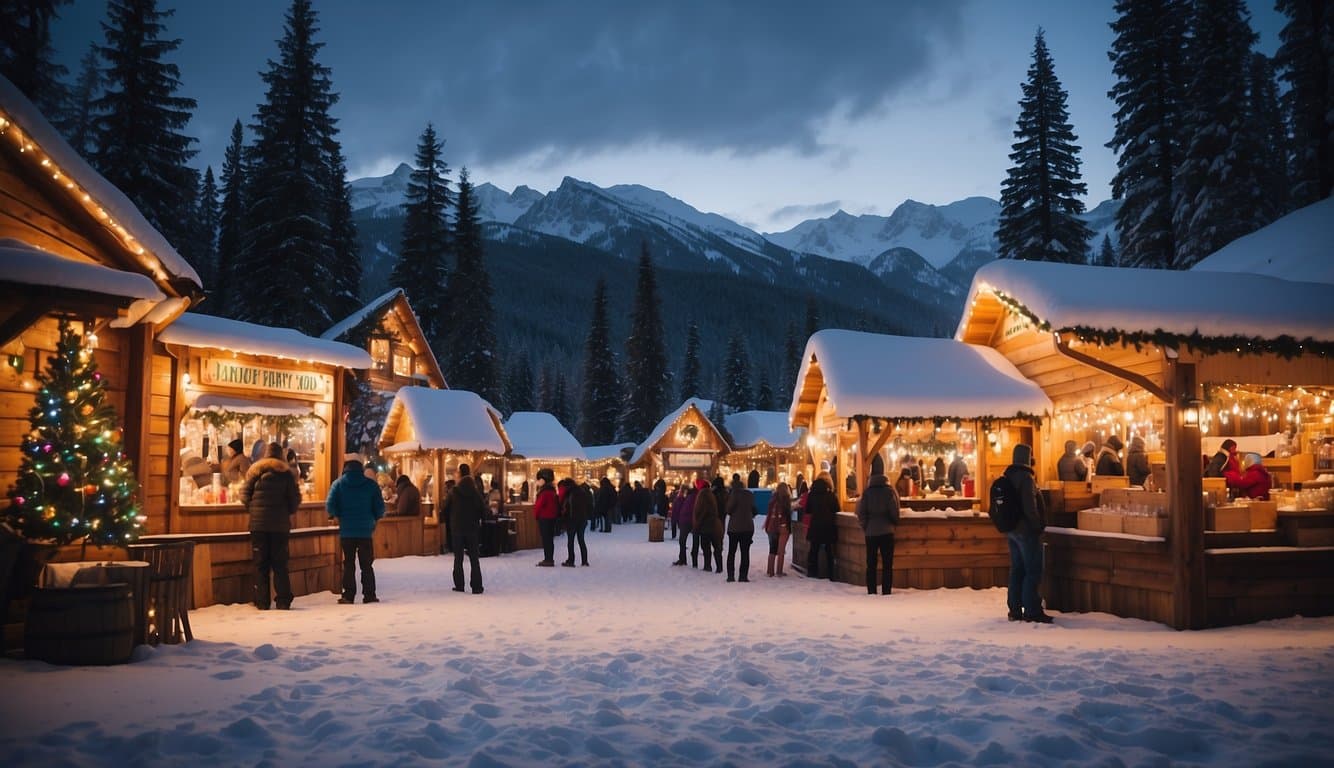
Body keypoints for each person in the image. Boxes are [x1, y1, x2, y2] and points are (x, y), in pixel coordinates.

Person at [242, 442, 301, 610]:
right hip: (280, 527)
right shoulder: (286, 475)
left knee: (260, 564)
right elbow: (295, 500)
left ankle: (262, 601)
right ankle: (283, 600)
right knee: (280, 564)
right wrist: (287, 512)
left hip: (258, 526)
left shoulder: (255, 472)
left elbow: (244, 494)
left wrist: (253, 510)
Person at [326, 454, 385, 604]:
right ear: (361, 468)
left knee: (349, 563)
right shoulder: (371, 485)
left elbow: (330, 506)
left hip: (346, 531)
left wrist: (338, 515)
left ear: (345, 468)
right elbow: (380, 508)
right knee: (366, 564)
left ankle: (348, 595)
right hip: (366, 531)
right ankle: (369, 594)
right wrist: (374, 519)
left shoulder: (338, 484)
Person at [1004, 444, 1052, 623]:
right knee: (1033, 571)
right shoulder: (1026, 478)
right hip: (1026, 531)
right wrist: (1038, 526)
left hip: (1012, 530)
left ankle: (1014, 610)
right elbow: (1030, 508)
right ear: (1028, 458)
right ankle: (1032, 610)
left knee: (1017, 569)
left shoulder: (1008, 476)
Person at [855, 469, 899, 595]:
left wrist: (866, 527)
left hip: (871, 533)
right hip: (887, 532)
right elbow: (894, 512)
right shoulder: (889, 492)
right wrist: (893, 523)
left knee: (871, 564)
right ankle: (886, 590)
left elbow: (861, 513)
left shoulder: (867, 492)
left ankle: (871, 590)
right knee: (887, 564)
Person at [443, 464, 485, 593]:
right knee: (474, 558)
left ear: (460, 474)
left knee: (458, 557)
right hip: (472, 528)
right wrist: (476, 519)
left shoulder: (454, 491)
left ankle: (459, 585)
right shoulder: (475, 491)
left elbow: (445, 509)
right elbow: (482, 509)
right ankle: (477, 586)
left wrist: (450, 520)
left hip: (457, 528)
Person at [804, 476, 839, 580]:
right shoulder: (830, 495)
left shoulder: (811, 495)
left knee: (814, 549)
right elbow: (836, 509)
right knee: (829, 551)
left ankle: (812, 572)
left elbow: (808, 510)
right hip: (828, 526)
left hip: (815, 525)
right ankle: (831, 573)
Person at [724, 476, 756, 582]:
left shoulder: (733, 494)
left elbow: (729, 509)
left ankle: (731, 575)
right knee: (745, 552)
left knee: (732, 552)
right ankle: (743, 576)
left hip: (734, 528)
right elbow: (753, 509)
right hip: (748, 527)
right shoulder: (749, 495)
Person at [560, 478, 592, 566]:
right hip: (582, 519)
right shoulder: (582, 492)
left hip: (572, 520)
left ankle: (571, 560)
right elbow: (588, 505)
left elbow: (568, 508)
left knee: (570, 541)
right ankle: (584, 561)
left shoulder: (570, 494)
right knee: (581, 540)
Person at [764, 482, 793, 576]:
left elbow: (769, 514)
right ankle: (779, 571)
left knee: (772, 549)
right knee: (781, 551)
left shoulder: (772, 500)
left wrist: (767, 525)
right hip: (783, 527)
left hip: (771, 527)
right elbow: (787, 514)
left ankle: (770, 571)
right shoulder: (786, 501)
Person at [693, 477, 721, 572]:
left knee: (706, 546)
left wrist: (697, 523)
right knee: (716, 546)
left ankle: (707, 566)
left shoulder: (702, 494)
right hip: (715, 524)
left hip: (706, 525)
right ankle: (719, 567)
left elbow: (701, 510)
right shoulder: (711, 493)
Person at [533, 468, 559, 566]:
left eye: (539, 480)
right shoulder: (552, 491)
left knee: (546, 539)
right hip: (552, 518)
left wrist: (536, 515)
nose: (538, 482)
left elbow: (538, 506)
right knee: (549, 539)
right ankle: (549, 558)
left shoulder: (544, 492)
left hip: (544, 518)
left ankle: (548, 559)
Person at [673, 481, 698, 566]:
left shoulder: (688, 498)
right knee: (692, 541)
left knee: (682, 541)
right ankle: (691, 561)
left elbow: (680, 509)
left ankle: (683, 559)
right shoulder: (693, 497)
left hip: (686, 521)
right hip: (690, 520)